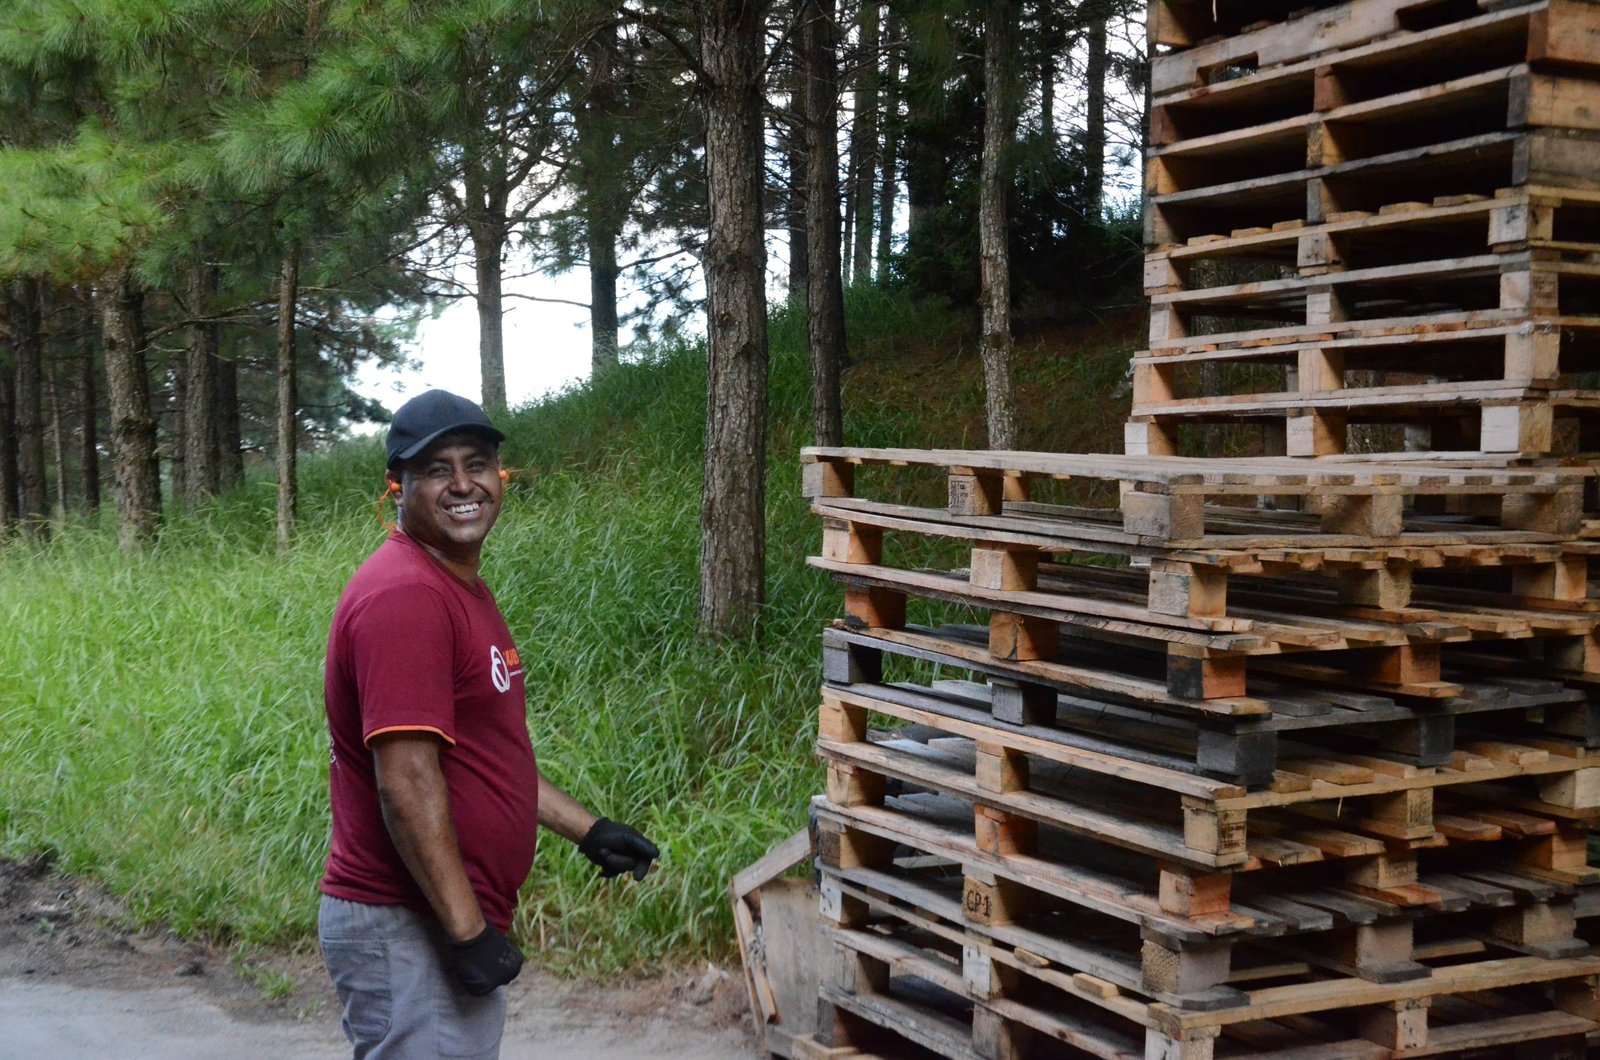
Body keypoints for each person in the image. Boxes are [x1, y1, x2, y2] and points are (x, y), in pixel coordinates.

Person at [318, 389, 659, 1060]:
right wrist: (467, 931)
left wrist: (588, 830)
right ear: (397, 486)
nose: (463, 484)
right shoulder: (406, 597)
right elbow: (407, 783)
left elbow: (477, 761)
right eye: (436, 469)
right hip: (409, 920)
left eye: (476, 463)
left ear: (499, 476)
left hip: (431, 915)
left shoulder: (455, 586)